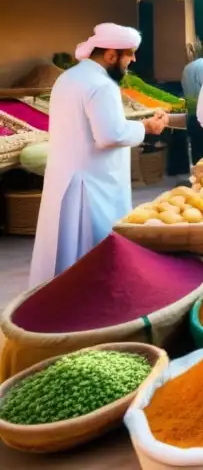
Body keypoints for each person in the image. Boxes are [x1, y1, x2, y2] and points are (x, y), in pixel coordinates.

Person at [30, 24, 169, 287]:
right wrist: (147, 127)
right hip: (92, 184)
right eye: (130, 54)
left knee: (64, 252)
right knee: (93, 253)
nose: (133, 60)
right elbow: (110, 135)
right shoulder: (102, 85)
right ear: (110, 55)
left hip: (67, 176)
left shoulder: (68, 77)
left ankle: (58, 300)